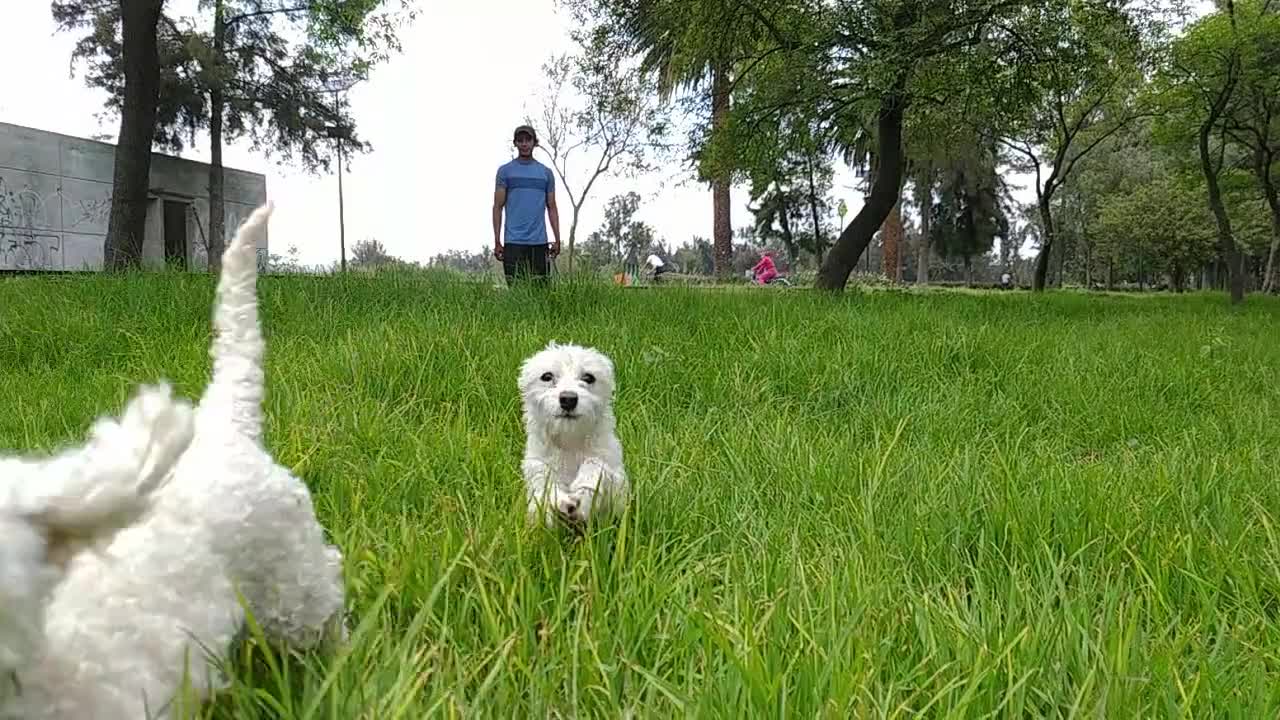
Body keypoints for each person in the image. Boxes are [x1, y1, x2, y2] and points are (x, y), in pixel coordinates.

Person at [493, 125, 560, 284]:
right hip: (513, 242)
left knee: (541, 290)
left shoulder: (545, 173)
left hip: (539, 242)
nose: (524, 144)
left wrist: (557, 239)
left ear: (534, 143)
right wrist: (497, 241)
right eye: (520, 140)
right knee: (516, 291)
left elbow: (552, 207)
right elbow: (497, 207)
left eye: (528, 140)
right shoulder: (505, 172)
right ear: (515, 143)